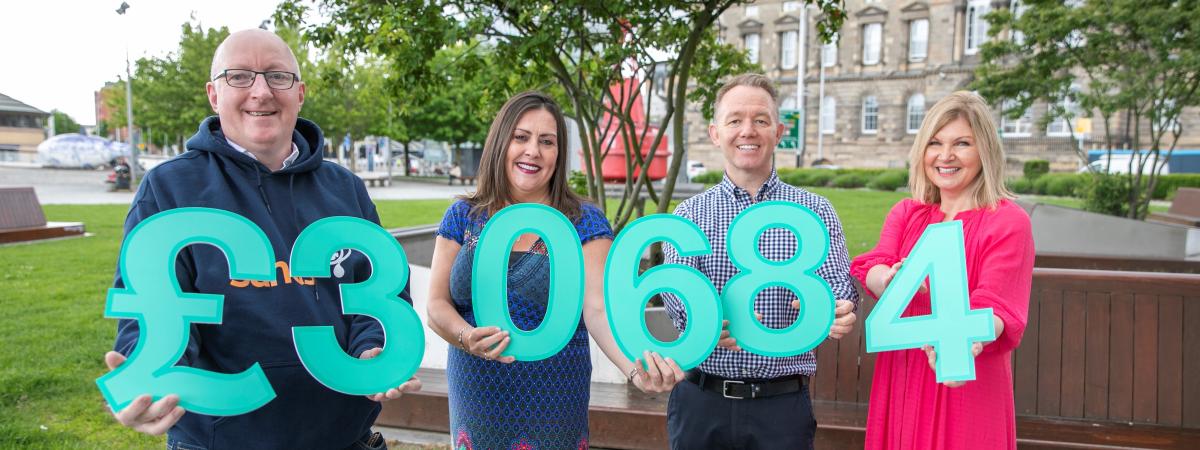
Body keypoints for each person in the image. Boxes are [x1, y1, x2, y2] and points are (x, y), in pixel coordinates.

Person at [103, 29, 419, 449]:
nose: (260, 91)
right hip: (223, 440)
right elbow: (152, 316)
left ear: (300, 93)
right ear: (214, 95)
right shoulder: (171, 187)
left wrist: (373, 349)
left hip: (343, 437)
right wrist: (149, 381)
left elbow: (378, 295)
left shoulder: (345, 189)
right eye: (239, 77)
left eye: (277, 76)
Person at [426, 91, 684, 449]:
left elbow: (597, 311)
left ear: (558, 155)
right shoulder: (463, 215)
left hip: (553, 396)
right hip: (476, 391)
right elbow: (437, 305)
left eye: (547, 142)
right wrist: (465, 336)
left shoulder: (583, 220)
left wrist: (635, 370)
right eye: (521, 137)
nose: (533, 150)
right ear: (501, 143)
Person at [661, 73, 860, 449]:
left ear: (779, 131)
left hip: (782, 408)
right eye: (735, 120)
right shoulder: (688, 215)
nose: (747, 131)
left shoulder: (815, 211)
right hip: (702, 403)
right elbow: (679, 302)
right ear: (715, 132)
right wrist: (699, 324)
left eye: (761, 120)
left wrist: (838, 306)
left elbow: (837, 283)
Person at [850, 91, 1034, 449]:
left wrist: (962, 347)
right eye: (935, 142)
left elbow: (996, 304)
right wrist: (888, 279)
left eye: (962, 143)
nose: (945, 156)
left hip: (966, 375)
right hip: (903, 372)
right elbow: (871, 265)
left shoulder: (1008, 221)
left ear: (985, 151)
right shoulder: (908, 213)